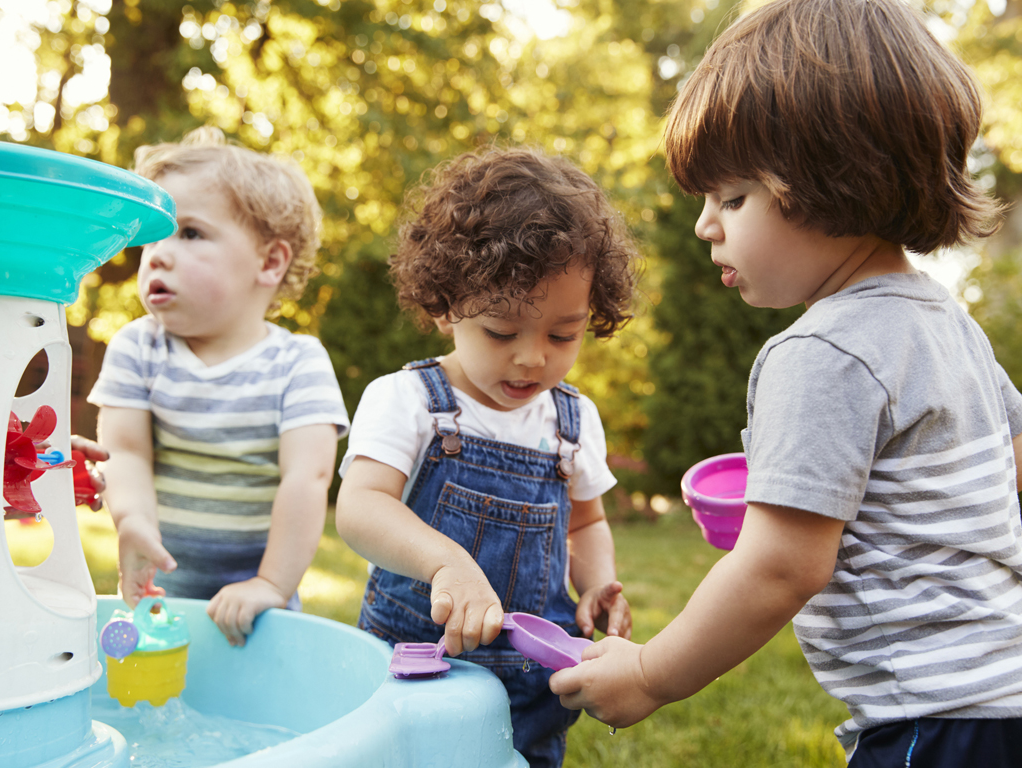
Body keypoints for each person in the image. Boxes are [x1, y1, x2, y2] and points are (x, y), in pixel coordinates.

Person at [550, 1, 1022, 765]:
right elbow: (1009, 466)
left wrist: (649, 673)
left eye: (732, 198)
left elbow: (781, 567)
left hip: (934, 722)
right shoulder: (947, 320)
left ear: (837, 181)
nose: (706, 224)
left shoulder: (821, 350)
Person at [335, 146, 639, 767]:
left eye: (563, 334)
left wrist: (597, 585)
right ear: (447, 306)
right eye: (501, 332)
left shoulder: (572, 421)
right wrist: (446, 563)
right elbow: (361, 508)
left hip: (530, 688)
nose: (532, 358)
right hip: (417, 672)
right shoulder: (409, 400)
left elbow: (585, 522)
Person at [88, 127, 349, 647]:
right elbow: (127, 453)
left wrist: (270, 584)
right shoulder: (138, 348)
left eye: (189, 233)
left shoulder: (297, 362)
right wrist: (133, 520)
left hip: (257, 612)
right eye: (152, 237)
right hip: (161, 595)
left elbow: (308, 476)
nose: (157, 255)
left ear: (269, 262)